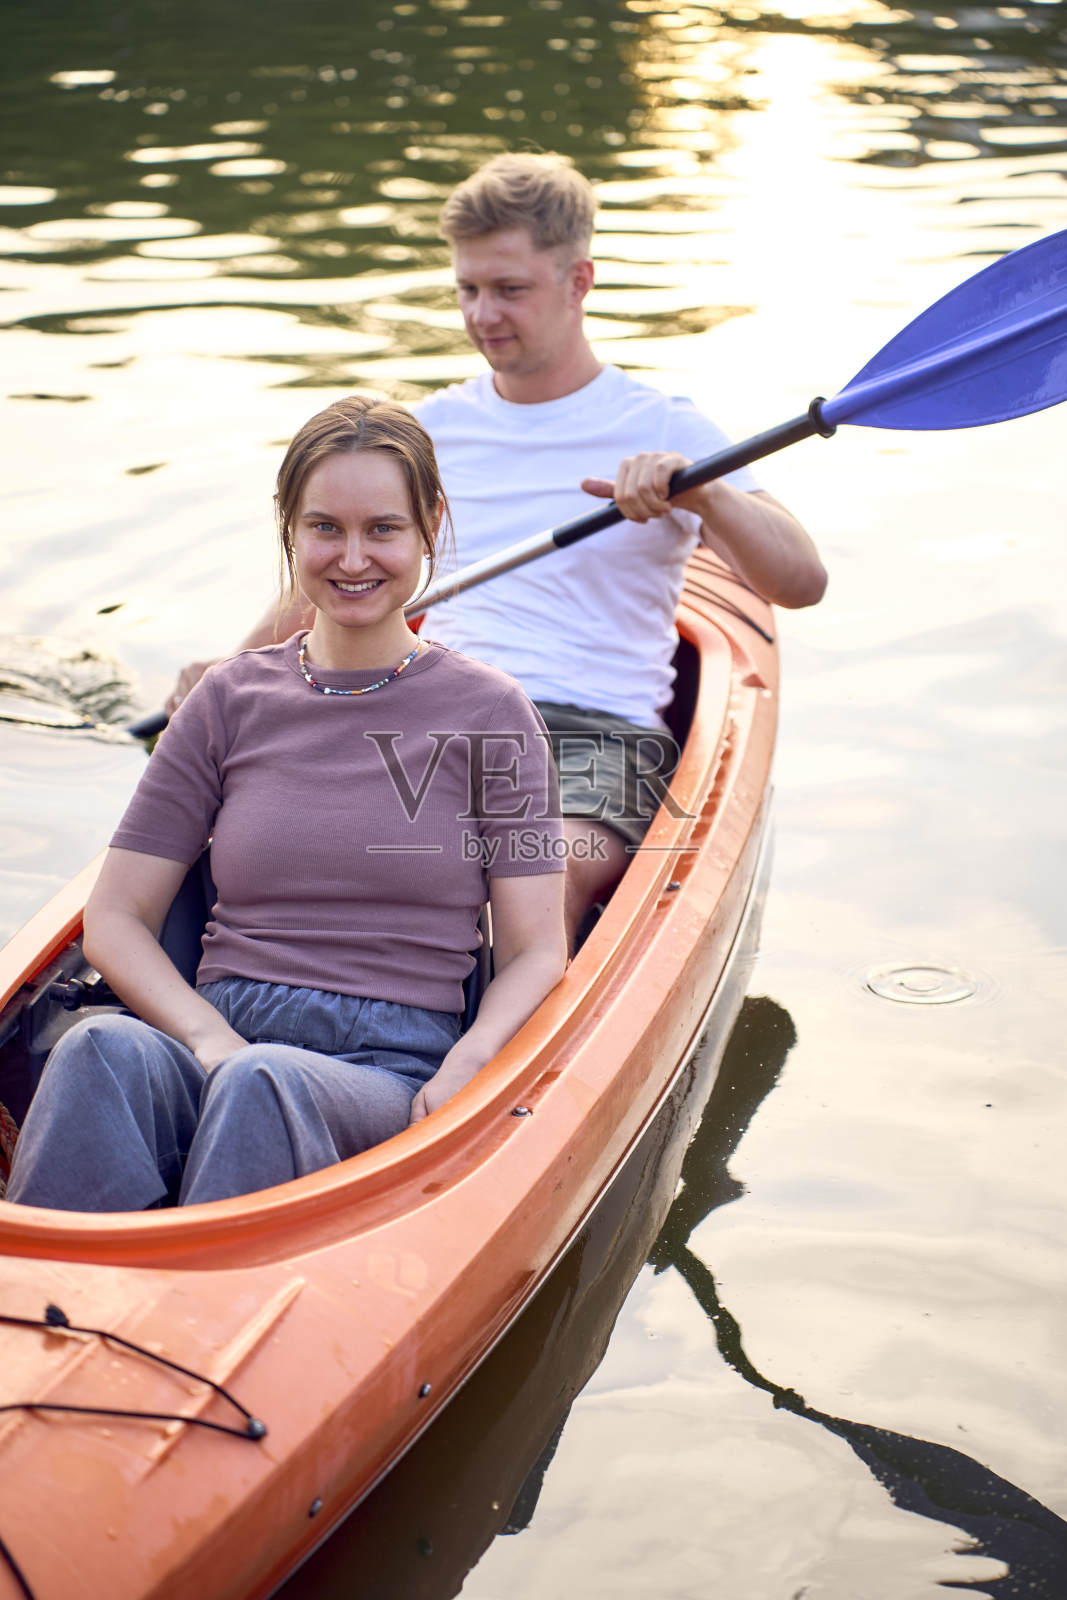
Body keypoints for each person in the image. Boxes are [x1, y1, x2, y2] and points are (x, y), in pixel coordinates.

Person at [168, 153, 827, 945]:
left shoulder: (662, 425)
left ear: (578, 282)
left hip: (592, 735)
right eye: (468, 290)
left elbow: (800, 580)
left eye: (509, 289)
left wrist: (704, 495)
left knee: (533, 878)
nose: (483, 315)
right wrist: (233, 671)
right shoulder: (430, 430)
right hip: (428, 706)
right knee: (267, 847)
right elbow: (340, 573)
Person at [6, 397, 567, 1212]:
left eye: (382, 528)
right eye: (325, 528)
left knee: (263, 1082)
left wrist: (470, 1064)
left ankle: (195, 1285)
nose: (352, 557)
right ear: (289, 531)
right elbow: (116, 918)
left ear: (430, 528)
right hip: (218, 1032)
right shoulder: (227, 699)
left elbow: (534, 951)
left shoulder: (492, 712)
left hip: (386, 1069)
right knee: (98, 1048)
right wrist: (207, 1037)